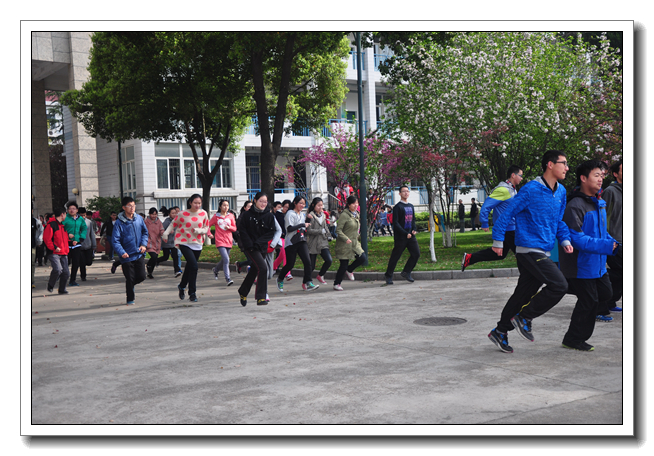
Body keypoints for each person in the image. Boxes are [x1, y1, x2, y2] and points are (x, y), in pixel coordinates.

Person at [487, 150, 573, 354]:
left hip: (544, 248)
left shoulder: (561, 191)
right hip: (528, 249)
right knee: (559, 285)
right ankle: (525, 317)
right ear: (550, 165)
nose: (567, 168)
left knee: (523, 293)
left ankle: (500, 331)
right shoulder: (530, 189)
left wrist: (565, 238)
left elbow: (558, 220)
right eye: (564, 163)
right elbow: (507, 213)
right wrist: (498, 240)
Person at [559, 160, 619, 351]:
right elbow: (576, 238)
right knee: (589, 301)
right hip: (581, 265)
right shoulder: (575, 205)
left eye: (602, 176)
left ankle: (568, 288)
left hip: (598, 263)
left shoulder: (599, 203)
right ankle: (573, 339)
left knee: (605, 294)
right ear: (583, 178)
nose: (601, 179)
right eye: (596, 175)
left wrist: (613, 242)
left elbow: (602, 232)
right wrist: (606, 245)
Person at [461, 166, 523, 271]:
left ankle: (470, 258)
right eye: (520, 175)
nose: (521, 178)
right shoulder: (503, 190)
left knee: (500, 254)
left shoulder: (512, 190)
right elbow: (486, 206)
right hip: (508, 229)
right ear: (513, 175)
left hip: (510, 228)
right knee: (523, 255)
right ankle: (528, 279)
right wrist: (484, 222)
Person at [162, 194, 211, 303]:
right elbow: (172, 224)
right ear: (190, 202)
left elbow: (206, 227)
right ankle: (192, 293)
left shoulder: (203, 213)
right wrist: (165, 234)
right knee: (194, 266)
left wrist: (200, 231)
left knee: (190, 267)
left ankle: (182, 286)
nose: (197, 205)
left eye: (199, 203)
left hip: (197, 243)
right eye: (195, 203)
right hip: (184, 242)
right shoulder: (182, 214)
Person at [236, 192, 276, 306]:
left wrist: (259, 243)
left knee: (254, 270)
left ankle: (243, 291)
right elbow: (242, 231)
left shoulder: (269, 215)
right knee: (263, 268)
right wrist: (250, 245)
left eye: (265, 202)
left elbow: (270, 232)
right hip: (250, 247)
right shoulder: (247, 215)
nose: (263, 204)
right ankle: (261, 297)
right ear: (255, 200)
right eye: (261, 201)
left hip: (261, 247)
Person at [276, 195, 319, 292]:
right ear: (295, 203)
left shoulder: (301, 214)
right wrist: (303, 224)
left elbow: (302, 228)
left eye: (304, 204)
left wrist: (307, 220)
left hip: (301, 240)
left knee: (308, 262)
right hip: (291, 242)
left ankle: (308, 282)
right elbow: (289, 229)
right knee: (290, 265)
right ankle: (280, 279)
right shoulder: (290, 214)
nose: (302, 205)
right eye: (300, 203)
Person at [112, 196, 149, 305]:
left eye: (133, 206)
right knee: (130, 278)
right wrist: (121, 252)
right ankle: (130, 299)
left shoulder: (139, 219)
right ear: (124, 207)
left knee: (142, 276)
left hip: (138, 253)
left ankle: (131, 285)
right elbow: (115, 240)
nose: (132, 208)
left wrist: (143, 244)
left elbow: (145, 233)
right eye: (129, 206)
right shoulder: (119, 223)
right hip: (126, 256)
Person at [384, 186, 420, 285]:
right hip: (401, 237)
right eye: (404, 191)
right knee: (395, 257)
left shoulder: (411, 206)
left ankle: (406, 272)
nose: (406, 193)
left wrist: (413, 230)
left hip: (411, 236)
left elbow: (413, 220)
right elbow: (395, 223)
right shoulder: (397, 207)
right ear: (399, 193)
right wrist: (405, 233)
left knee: (416, 254)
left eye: (407, 191)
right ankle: (388, 275)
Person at [601, 160, 623, 315]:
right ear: (616, 174)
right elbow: (603, 216)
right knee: (621, 271)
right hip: (614, 239)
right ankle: (600, 287)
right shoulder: (610, 191)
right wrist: (607, 239)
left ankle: (611, 301)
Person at [333, 195, 367, 291]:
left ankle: (350, 269)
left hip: (354, 242)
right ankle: (337, 283)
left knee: (362, 257)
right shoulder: (344, 215)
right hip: (344, 244)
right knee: (343, 264)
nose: (356, 205)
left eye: (357, 203)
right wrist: (345, 239)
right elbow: (338, 230)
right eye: (353, 203)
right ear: (348, 205)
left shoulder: (356, 214)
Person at [208, 199, 237, 286]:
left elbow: (235, 228)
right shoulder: (216, 217)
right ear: (220, 206)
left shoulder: (231, 216)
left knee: (225, 259)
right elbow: (208, 226)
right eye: (224, 205)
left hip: (228, 240)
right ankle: (228, 279)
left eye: (227, 205)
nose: (226, 207)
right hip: (219, 240)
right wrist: (209, 234)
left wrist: (229, 227)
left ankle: (216, 270)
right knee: (226, 259)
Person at [43, 207, 70, 294]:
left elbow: (64, 239)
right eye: (65, 214)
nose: (66, 216)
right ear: (62, 214)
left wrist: (71, 241)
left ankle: (62, 289)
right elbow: (47, 239)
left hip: (63, 252)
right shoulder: (51, 225)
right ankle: (51, 285)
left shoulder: (62, 226)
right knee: (58, 269)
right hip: (54, 252)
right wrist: (54, 247)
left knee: (66, 272)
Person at [306, 197, 333, 285]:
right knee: (311, 266)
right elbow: (309, 230)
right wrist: (319, 231)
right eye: (318, 205)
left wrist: (329, 235)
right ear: (313, 205)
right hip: (313, 242)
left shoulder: (323, 215)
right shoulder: (310, 215)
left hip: (323, 242)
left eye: (321, 205)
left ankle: (321, 275)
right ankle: (307, 281)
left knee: (329, 260)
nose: (320, 207)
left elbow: (325, 227)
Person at [63, 202, 87, 287]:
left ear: (77, 210)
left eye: (73, 208)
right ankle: (62, 277)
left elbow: (84, 228)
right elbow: (60, 229)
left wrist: (81, 238)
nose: (71, 210)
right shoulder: (65, 218)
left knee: (76, 263)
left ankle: (72, 280)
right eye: (70, 208)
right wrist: (67, 234)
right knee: (66, 262)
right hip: (66, 243)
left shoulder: (80, 219)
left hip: (76, 243)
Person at [157, 206, 182, 277]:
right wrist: (167, 232)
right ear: (169, 214)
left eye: (175, 213)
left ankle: (177, 271)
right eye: (172, 213)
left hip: (174, 243)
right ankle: (156, 261)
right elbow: (161, 230)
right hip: (166, 242)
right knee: (166, 257)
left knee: (175, 256)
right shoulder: (167, 222)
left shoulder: (177, 220)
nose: (174, 214)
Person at [272, 199, 293, 280]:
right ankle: (287, 273)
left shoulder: (290, 214)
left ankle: (274, 266)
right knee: (284, 253)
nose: (286, 209)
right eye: (285, 207)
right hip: (279, 237)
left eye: (288, 207)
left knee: (281, 255)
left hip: (288, 237)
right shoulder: (278, 215)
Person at [144, 207, 164, 279]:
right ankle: (149, 265)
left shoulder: (159, 222)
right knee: (154, 256)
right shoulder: (146, 222)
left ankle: (150, 272)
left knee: (155, 259)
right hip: (149, 242)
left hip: (157, 242)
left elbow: (161, 229)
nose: (154, 216)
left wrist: (163, 234)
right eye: (152, 214)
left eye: (155, 214)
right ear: (149, 214)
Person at [78, 207, 97, 281]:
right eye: (81, 215)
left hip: (88, 244)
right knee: (82, 263)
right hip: (79, 246)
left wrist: (94, 245)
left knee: (89, 262)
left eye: (84, 215)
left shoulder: (89, 222)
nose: (82, 217)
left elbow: (91, 234)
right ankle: (83, 276)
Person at [234, 200, 253, 275]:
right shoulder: (241, 218)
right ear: (245, 208)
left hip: (252, 242)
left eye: (252, 207)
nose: (250, 208)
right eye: (249, 207)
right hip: (244, 242)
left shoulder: (253, 217)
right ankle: (251, 275)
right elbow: (236, 230)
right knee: (251, 260)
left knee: (252, 260)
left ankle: (240, 264)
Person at [31, 204, 44, 287]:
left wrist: (39, 241)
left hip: (31, 245)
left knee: (31, 263)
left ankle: (31, 281)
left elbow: (40, 231)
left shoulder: (35, 221)